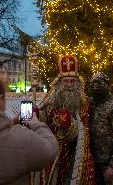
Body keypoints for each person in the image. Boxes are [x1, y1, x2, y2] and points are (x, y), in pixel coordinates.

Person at [36, 56, 96, 185]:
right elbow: (43, 119)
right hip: (49, 147)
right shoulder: (50, 98)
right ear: (59, 82)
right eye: (66, 81)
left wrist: (69, 126)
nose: (69, 85)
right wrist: (37, 115)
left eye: (72, 81)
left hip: (70, 151)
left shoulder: (83, 102)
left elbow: (84, 131)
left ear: (78, 82)